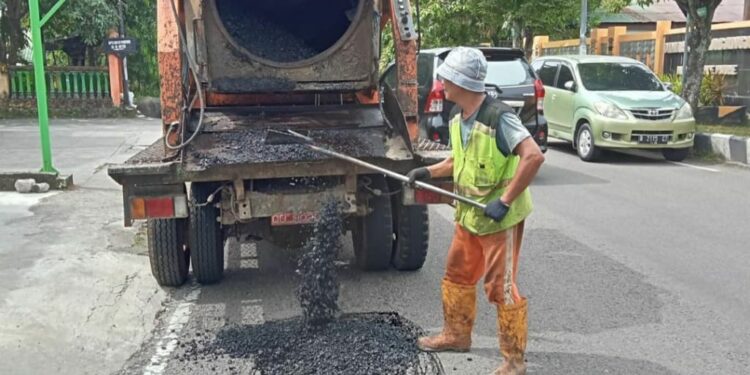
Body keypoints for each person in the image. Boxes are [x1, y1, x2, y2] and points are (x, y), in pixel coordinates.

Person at [407, 47, 544, 375]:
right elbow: (456, 161)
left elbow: (533, 156)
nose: (441, 84)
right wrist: (427, 172)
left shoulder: (499, 117)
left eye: (446, 79)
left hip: (499, 218)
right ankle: (456, 335)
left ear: (461, 82)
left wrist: (506, 200)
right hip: (469, 215)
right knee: (456, 275)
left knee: (500, 288)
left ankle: (514, 361)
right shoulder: (458, 118)